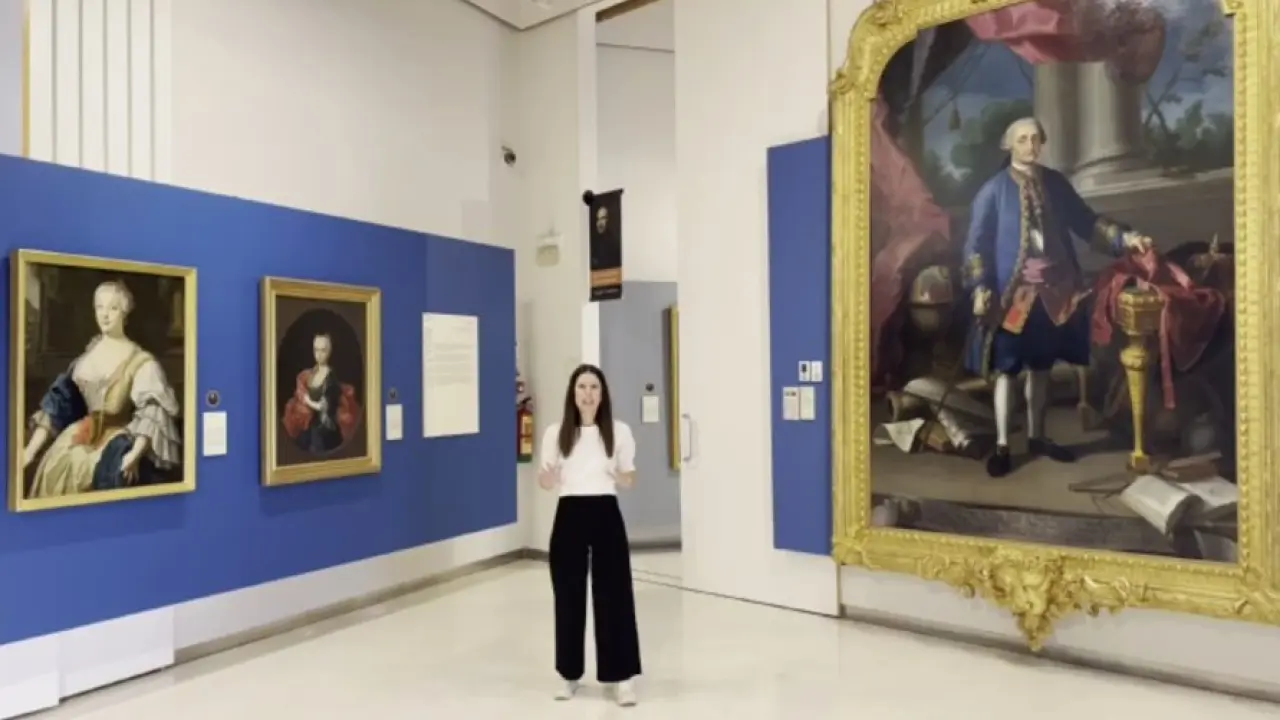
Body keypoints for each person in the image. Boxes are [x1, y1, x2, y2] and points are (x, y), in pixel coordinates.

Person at [963, 116, 1153, 478]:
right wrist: (980, 287)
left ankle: (1037, 436)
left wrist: (1127, 239)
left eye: (1036, 139)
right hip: (1012, 297)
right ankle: (1003, 445)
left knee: (1041, 368)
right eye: (1022, 139)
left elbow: (1086, 222)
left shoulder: (1055, 184)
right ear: (1008, 145)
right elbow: (976, 246)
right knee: (1007, 371)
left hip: (1054, 293)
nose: (1030, 146)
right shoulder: (992, 191)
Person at [538, 363, 641, 706]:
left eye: (594, 387)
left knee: (614, 594)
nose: (588, 394)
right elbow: (545, 480)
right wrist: (549, 478)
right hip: (569, 513)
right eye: (582, 387)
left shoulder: (619, 431)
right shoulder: (556, 433)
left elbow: (630, 478)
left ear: (602, 394)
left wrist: (619, 475)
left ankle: (621, 677)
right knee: (568, 594)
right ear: (573, 393)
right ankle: (568, 674)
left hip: (605, 512)